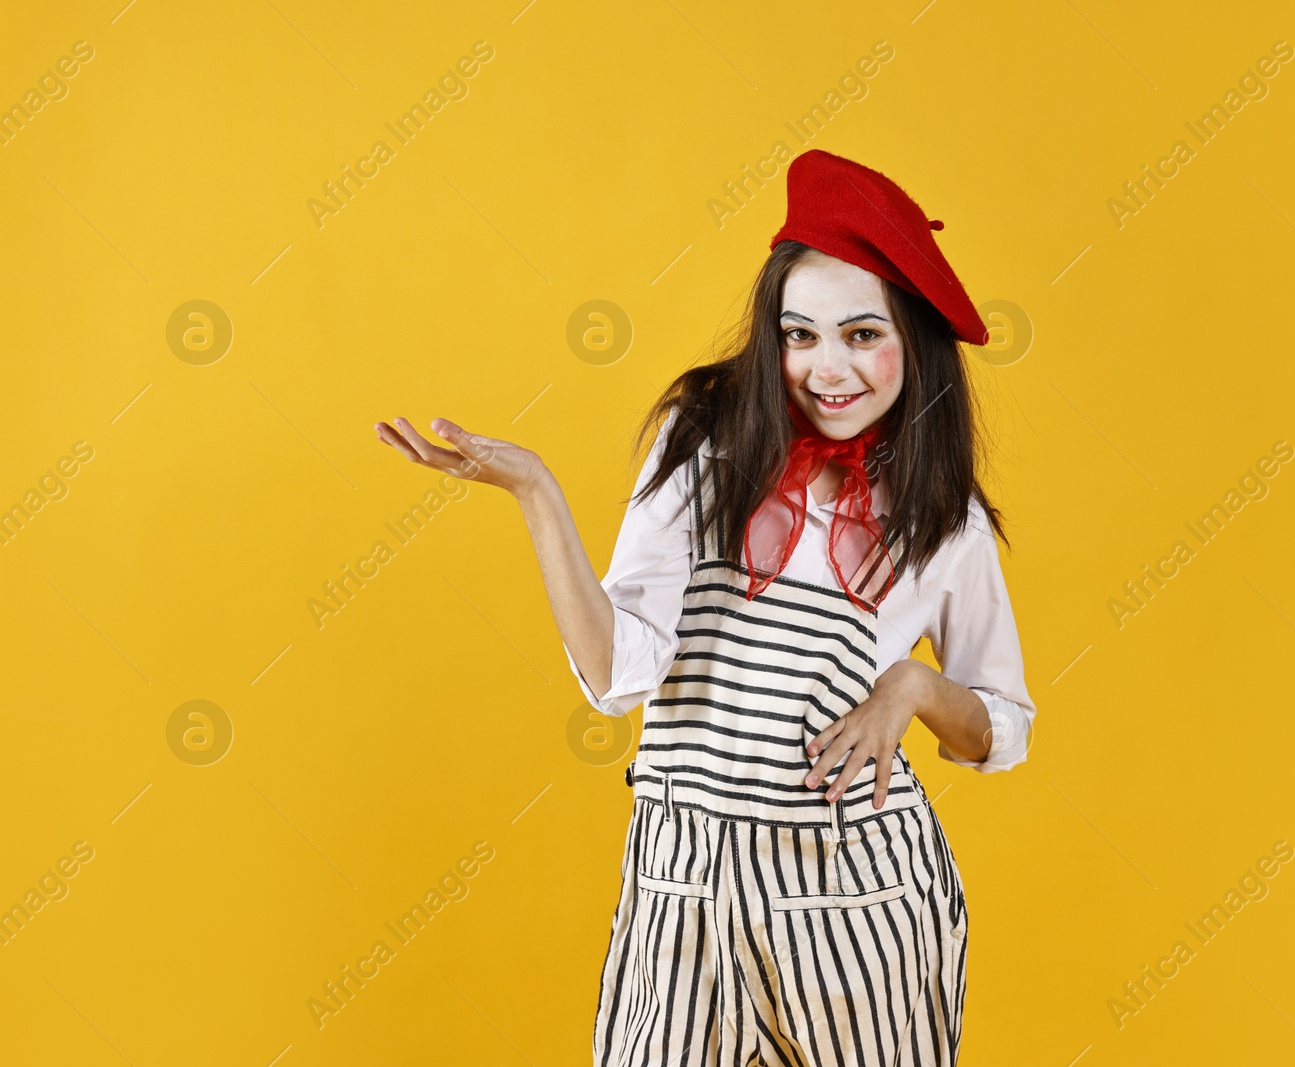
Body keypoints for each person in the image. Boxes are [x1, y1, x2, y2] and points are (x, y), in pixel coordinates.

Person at [375, 149, 1034, 1066]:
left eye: (861, 334)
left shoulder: (942, 515)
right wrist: (535, 493)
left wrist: (914, 687)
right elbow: (619, 675)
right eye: (799, 335)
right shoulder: (705, 447)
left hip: (854, 894)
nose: (826, 367)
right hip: (681, 886)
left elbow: (1001, 726)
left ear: (913, 339)